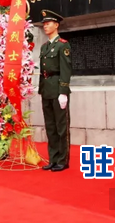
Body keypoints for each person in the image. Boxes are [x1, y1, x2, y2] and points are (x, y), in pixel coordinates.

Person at [38, 10, 72, 172]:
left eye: (48, 23)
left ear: (56, 25)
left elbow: (66, 69)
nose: (45, 26)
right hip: (46, 89)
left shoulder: (63, 45)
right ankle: (53, 158)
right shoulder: (44, 47)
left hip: (58, 88)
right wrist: (41, 89)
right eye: (44, 23)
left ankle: (63, 159)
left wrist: (63, 92)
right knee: (50, 126)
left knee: (61, 126)